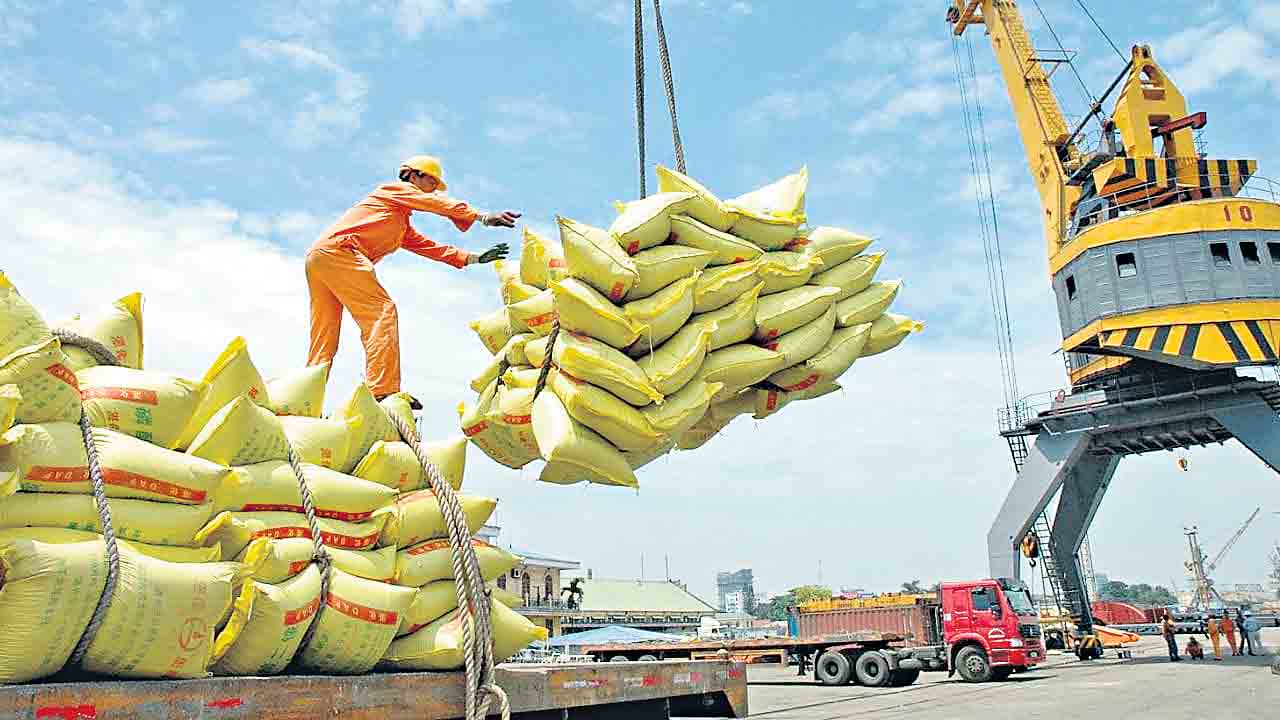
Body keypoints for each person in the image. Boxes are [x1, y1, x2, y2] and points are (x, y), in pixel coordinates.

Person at [305, 155, 518, 401]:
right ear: (414, 175)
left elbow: (430, 248)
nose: (434, 191)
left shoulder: (398, 222)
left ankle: (306, 396)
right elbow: (432, 203)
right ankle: (383, 391)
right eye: (432, 183)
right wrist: (481, 216)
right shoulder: (392, 190)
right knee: (381, 312)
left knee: (325, 334)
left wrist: (474, 258)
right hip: (340, 252)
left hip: (322, 257)